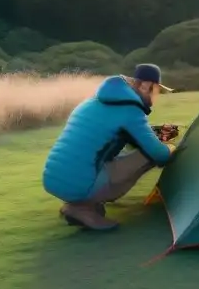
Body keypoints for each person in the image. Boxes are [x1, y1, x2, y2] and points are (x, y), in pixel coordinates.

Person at [42, 64, 179, 231]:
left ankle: (79, 203)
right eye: (157, 91)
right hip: (82, 185)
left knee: (116, 155)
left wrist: (155, 132)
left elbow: (116, 134)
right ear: (145, 86)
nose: (156, 97)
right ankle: (80, 207)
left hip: (53, 178)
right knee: (153, 155)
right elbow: (159, 155)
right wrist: (170, 147)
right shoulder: (130, 111)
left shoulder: (92, 102)